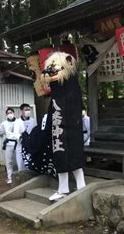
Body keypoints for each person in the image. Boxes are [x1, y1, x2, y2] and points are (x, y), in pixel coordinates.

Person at [41, 52, 86, 201]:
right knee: (59, 153)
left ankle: (81, 185)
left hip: (72, 124)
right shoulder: (56, 89)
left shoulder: (71, 83)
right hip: (57, 123)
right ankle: (63, 188)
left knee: (74, 152)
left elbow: (76, 105)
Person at [0, 108, 18, 184]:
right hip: (8, 144)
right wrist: (4, 133)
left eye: (11, 112)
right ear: (6, 114)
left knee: (17, 161)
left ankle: (18, 177)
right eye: (8, 113)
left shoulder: (18, 122)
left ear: (14, 113)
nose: (10, 114)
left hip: (17, 144)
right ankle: (10, 178)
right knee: (9, 162)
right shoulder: (4, 123)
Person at [13, 103, 37, 171]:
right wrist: (21, 137)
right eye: (26, 110)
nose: (28, 111)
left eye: (29, 110)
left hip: (31, 146)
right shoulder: (17, 121)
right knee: (21, 165)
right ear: (22, 111)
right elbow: (16, 133)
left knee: (31, 164)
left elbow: (35, 131)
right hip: (21, 145)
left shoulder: (33, 121)